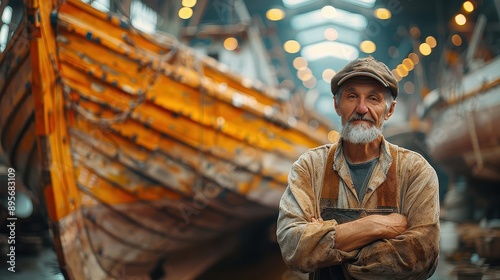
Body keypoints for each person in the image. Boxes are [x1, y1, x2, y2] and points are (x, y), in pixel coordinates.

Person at [276, 56, 440, 280]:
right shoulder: (310, 167)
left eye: (373, 98)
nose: (362, 108)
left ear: (389, 110)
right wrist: (378, 226)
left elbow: (422, 254)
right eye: (352, 96)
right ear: (337, 105)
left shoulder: (414, 171)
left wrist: (328, 244)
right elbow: (293, 248)